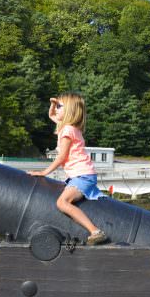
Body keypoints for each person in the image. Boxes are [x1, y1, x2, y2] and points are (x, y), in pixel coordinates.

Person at [28, 93, 108, 245]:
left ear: (70, 111)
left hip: (82, 176)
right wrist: (53, 103)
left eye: (59, 106)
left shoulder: (66, 131)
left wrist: (43, 172)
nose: (55, 109)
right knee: (63, 200)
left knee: (62, 202)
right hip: (83, 175)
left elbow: (61, 157)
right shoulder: (71, 128)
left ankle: (95, 231)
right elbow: (51, 114)